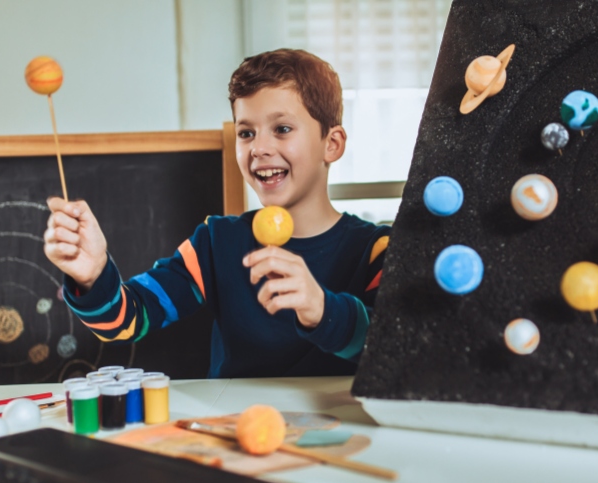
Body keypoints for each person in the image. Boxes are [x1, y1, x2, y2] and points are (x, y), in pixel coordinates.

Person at [43, 48, 391, 378]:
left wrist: (322, 309)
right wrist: (92, 275)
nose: (259, 148)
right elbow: (127, 319)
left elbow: (394, 354)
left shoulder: (377, 250)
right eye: (246, 132)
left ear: (332, 144)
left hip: (338, 434)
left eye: (282, 129)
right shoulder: (217, 241)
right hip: (233, 431)